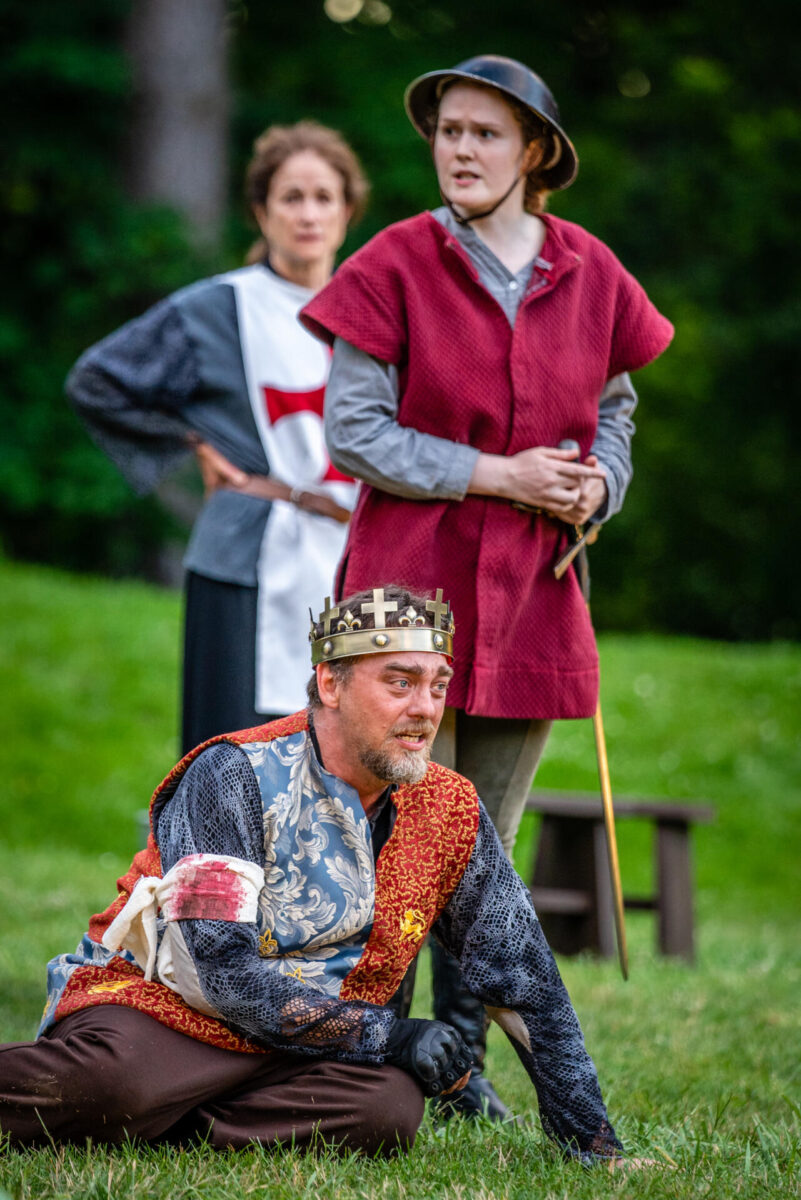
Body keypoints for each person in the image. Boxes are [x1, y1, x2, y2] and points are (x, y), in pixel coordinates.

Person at [299, 55, 674, 1118]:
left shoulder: (592, 271)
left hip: (533, 598)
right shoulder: (393, 262)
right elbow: (356, 432)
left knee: (483, 857)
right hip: (405, 599)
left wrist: (597, 487)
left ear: (536, 154)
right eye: (449, 131)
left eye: (485, 135)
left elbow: (616, 411)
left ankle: (458, 1077)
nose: (460, 150)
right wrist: (501, 473)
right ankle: (379, 1063)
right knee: (402, 847)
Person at [0, 585, 628, 1164]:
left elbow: (524, 979)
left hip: (311, 1045)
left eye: (438, 686)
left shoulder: (452, 809)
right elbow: (219, 973)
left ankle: (158, 1118)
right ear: (330, 683)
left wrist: (592, 1140)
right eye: (400, 683)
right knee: (113, 1082)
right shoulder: (230, 773)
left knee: (387, 1111)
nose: (425, 710)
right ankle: (139, 1102)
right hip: (170, 1015)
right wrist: (387, 1032)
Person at [66, 122, 367, 754]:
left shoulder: (375, 315)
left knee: (344, 763)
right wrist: (191, 443)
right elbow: (97, 382)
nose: (308, 214)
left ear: (347, 211)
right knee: (229, 761)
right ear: (261, 211)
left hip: (353, 561)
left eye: (323, 197)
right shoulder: (217, 308)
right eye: (291, 197)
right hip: (242, 565)